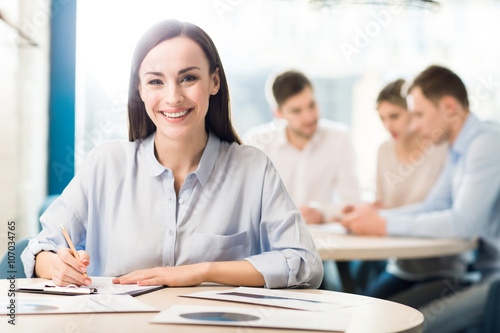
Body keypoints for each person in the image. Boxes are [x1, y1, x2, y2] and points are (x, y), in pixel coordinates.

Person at [21, 19, 323, 289]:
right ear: (140, 89)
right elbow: (40, 249)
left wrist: (202, 272)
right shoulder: (106, 164)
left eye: (188, 78)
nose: (173, 97)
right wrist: (57, 266)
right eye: (155, 81)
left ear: (214, 81)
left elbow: (305, 263)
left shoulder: (253, 169)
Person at [342, 65, 500, 305]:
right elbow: (434, 204)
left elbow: (463, 223)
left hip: (491, 282)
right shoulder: (457, 148)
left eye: (418, 114)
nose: (414, 125)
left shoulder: (486, 143)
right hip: (479, 275)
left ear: (448, 107)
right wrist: (375, 217)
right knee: (371, 307)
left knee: (411, 323)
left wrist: (384, 224)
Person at [363, 79, 467, 300]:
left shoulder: (442, 149)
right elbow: (383, 205)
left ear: (413, 112)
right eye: (382, 118)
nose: (388, 125)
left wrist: (383, 220)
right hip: (402, 265)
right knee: (368, 302)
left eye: (394, 116)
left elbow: (442, 209)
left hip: (443, 267)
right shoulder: (383, 150)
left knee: (399, 310)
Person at [245, 70, 361, 225]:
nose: (309, 117)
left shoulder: (340, 139)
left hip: (321, 237)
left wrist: (323, 214)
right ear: (278, 113)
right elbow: (246, 204)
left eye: (312, 105)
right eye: (296, 111)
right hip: (272, 237)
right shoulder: (257, 142)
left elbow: (352, 203)